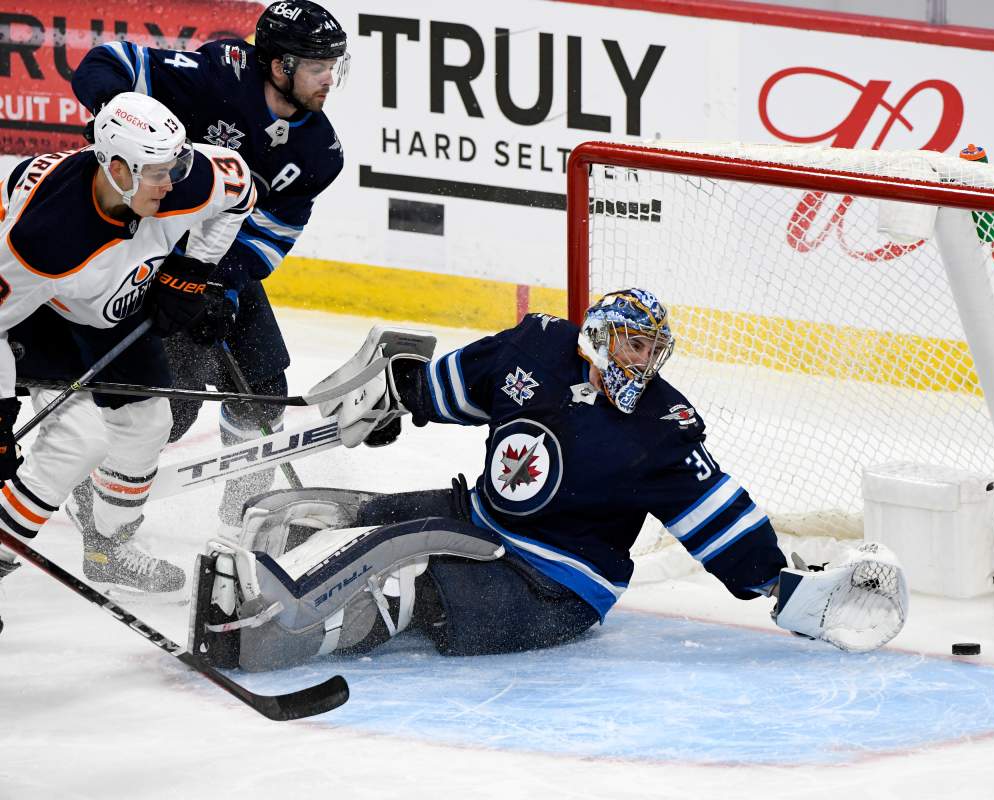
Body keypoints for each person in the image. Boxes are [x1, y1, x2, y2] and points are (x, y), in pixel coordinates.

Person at [187, 290, 909, 672]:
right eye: (632, 342)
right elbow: (458, 384)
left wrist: (778, 584)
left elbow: (717, 519)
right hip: (483, 517)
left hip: (555, 588)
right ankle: (259, 573)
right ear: (598, 335)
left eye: (654, 349)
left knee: (405, 574)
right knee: (329, 512)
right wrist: (400, 400)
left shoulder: (664, 425)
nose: (643, 361)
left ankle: (276, 640)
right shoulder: (537, 347)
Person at [71, 0, 348, 524]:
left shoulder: (319, 152)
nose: (328, 78)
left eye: (333, 65)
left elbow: (271, 234)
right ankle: (95, 496)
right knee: (170, 402)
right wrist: (115, 121)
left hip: (213, 266)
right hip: (141, 252)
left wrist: (217, 284)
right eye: (316, 65)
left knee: (265, 389)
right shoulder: (217, 74)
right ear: (278, 65)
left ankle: (247, 516)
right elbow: (109, 61)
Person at [0, 92, 255, 631]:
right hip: (36, 311)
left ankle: (107, 547)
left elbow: (240, 192)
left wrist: (193, 270)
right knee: (79, 442)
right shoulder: (44, 237)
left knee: (148, 423)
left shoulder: (183, 180)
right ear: (116, 169)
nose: (172, 184)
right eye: (159, 174)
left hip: (109, 309)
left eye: (176, 168)